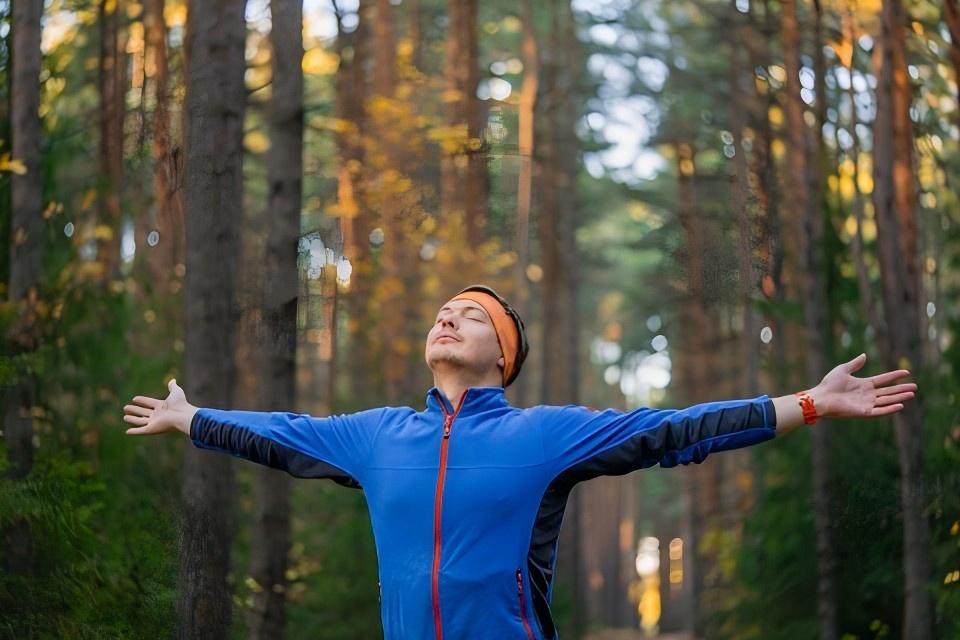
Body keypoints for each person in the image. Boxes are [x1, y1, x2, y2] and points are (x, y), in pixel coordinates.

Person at [123, 284, 917, 640]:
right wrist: (192, 419)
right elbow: (281, 433)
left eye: (471, 316)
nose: (448, 317)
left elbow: (677, 430)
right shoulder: (377, 437)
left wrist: (810, 402)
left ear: (502, 355)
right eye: (444, 311)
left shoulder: (544, 436)